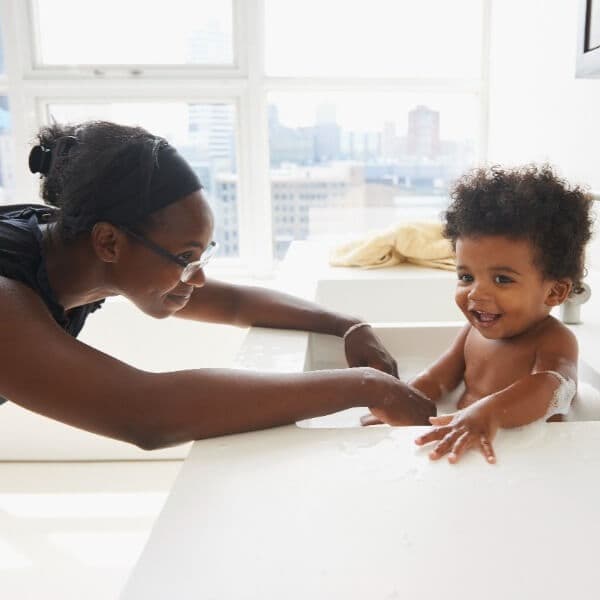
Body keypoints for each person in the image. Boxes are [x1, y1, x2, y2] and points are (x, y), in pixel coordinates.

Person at [0, 120, 435, 450]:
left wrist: (349, 325)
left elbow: (232, 303)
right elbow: (145, 414)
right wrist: (365, 386)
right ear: (109, 241)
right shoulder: (8, 290)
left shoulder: (67, 241)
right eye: (186, 258)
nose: (199, 277)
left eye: (201, 256)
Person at [361, 164, 593, 464]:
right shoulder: (472, 334)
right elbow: (437, 379)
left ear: (555, 292)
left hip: (528, 456)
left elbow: (553, 386)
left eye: (502, 279)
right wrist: (402, 401)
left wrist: (490, 413)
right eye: (466, 277)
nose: (475, 294)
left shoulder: (554, 340)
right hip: (466, 441)